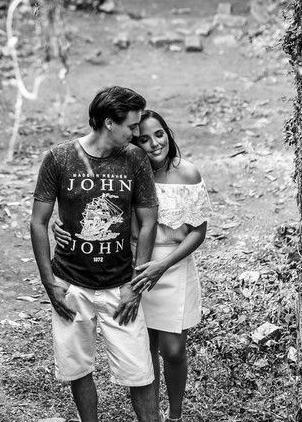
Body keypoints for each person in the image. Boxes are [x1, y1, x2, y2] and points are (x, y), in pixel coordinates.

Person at [55, 109, 210, 422]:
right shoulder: (127, 171)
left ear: (168, 134)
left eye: (159, 134)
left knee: (173, 350)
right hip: (135, 267)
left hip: (173, 266)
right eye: (144, 139)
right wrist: (63, 226)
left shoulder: (187, 173)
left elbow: (198, 232)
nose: (154, 144)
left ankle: (175, 414)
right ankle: (151, 413)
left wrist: (162, 265)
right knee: (144, 349)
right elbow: (96, 209)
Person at [30, 86, 162, 422]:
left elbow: (148, 223)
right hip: (71, 283)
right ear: (108, 123)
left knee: (140, 371)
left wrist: (136, 284)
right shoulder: (59, 158)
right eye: (132, 126)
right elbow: (38, 222)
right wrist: (49, 282)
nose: (137, 132)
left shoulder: (135, 159)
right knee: (77, 367)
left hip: (121, 285)